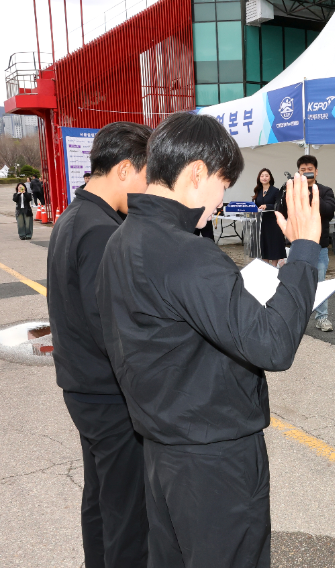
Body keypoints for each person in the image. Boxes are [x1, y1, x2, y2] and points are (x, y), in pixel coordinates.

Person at [96, 112, 322, 567]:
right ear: (196, 172)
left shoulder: (122, 240)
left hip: (162, 450)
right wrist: (304, 251)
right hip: (214, 459)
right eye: (222, 184)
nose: (221, 200)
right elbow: (274, 344)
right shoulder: (187, 254)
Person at [47, 121, 153, 567]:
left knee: (100, 500)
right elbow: (109, 325)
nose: (149, 190)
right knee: (128, 512)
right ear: (125, 169)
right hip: (108, 393)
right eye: (149, 177)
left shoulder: (75, 217)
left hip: (83, 387)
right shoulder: (101, 230)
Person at [279, 155, 335, 331]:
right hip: (297, 245)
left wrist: (309, 194)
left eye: (309, 169)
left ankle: (322, 318)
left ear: (316, 171)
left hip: (319, 247)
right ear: (298, 172)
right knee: (294, 283)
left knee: (319, 283)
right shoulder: (291, 190)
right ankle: (292, 319)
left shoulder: (325, 191)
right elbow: (280, 210)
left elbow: (329, 211)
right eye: (302, 170)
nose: (306, 173)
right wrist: (287, 192)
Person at [253, 168, 286, 266]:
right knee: (264, 246)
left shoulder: (275, 191)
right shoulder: (257, 190)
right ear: (259, 178)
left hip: (273, 222)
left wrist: (267, 206)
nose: (264, 178)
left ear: (270, 178)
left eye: (266, 175)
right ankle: (266, 267)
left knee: (274, 246)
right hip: (262, 222)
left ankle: (274, 267)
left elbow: (279, 205)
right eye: (262, 176)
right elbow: (256, 204)